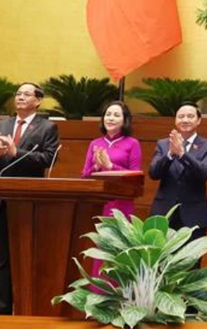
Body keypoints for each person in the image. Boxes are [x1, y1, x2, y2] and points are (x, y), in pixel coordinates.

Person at [0, 82, 59, 315]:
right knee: (2, 257)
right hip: (1, 198)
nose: (21, 97)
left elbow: (48, 159)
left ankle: (28, 305)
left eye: (26, 94)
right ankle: (0, 308)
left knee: (28, 256)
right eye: (18, 94)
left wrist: (16, 152)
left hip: (30, 201)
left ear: (38, 100)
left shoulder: (47, 128)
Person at [81, 100, 142, 280]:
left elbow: (136, 177)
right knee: (98, 251)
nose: (111, 118)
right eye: (108, 114)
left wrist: (110, 166)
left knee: (119, 250)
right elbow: (85, 176)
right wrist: (97, 167)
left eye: (116, 115)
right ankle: (97, 295)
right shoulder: (95, 143)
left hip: (121, 205)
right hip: (98, 204)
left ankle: (119, 297)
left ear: (125, 120)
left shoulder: (132, 143)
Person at [148, 102, 207, 240]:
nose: (185, 120)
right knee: (161, 260)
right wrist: (169, 155)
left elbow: (204, 173)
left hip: (194, 214)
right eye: (181, 116)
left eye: (190, 116)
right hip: (164, 213)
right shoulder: (163, 144)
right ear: (175, 120)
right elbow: (153, 173)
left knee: (192, 260)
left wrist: (182, 154)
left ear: (199, 120)